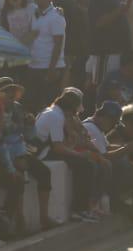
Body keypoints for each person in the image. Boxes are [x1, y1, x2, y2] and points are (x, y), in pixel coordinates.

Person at [34, 87, 104, 222]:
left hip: (47, 150)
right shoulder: (56, 117)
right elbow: (58, 148)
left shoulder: (53, 111)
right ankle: (79, 210)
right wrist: (80, 155)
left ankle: (86, 207)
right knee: (85, 165)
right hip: (43, 153)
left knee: (86, 161)